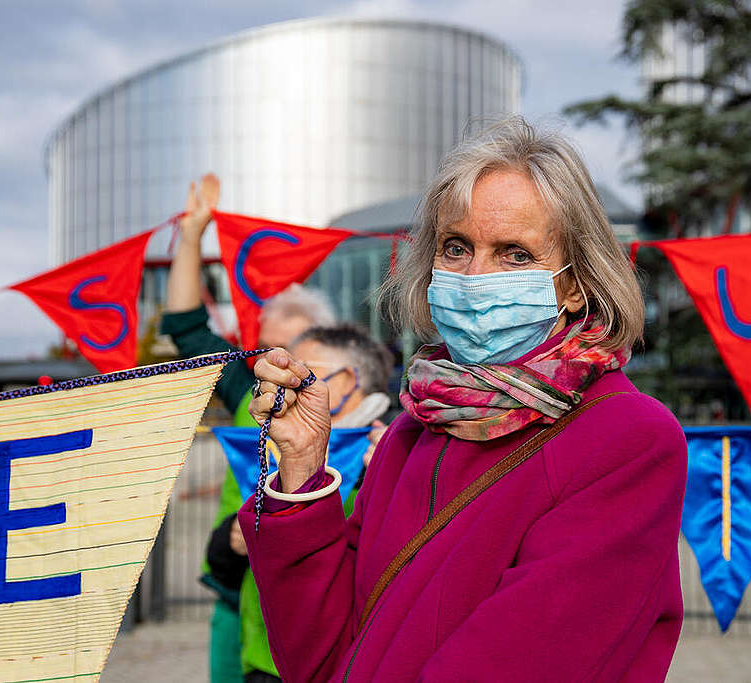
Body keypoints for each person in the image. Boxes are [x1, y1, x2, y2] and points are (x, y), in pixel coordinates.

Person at [239, 116, 688, 681]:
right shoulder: (415, 427)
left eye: (515, 254)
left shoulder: (627, 437)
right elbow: (321, 658)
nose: (475, 276)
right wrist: (303, 469)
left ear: (574, 285)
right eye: (456, 247)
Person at [159, 175, 337, 683]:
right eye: (263, 355)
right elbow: (188, 328)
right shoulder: (249, 394)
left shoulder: (356, 416)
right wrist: (193, 235)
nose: (274, 369)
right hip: (238, 597)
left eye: (291, 357)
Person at [206, 323, 394, 682]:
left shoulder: (394, 453)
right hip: (265, 661)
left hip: (353, 664)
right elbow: (220, 570)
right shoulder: (268, 448)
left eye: (309, 373)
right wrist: (234, 538)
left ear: (351, 382)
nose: (289, 383)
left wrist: (393, 480)